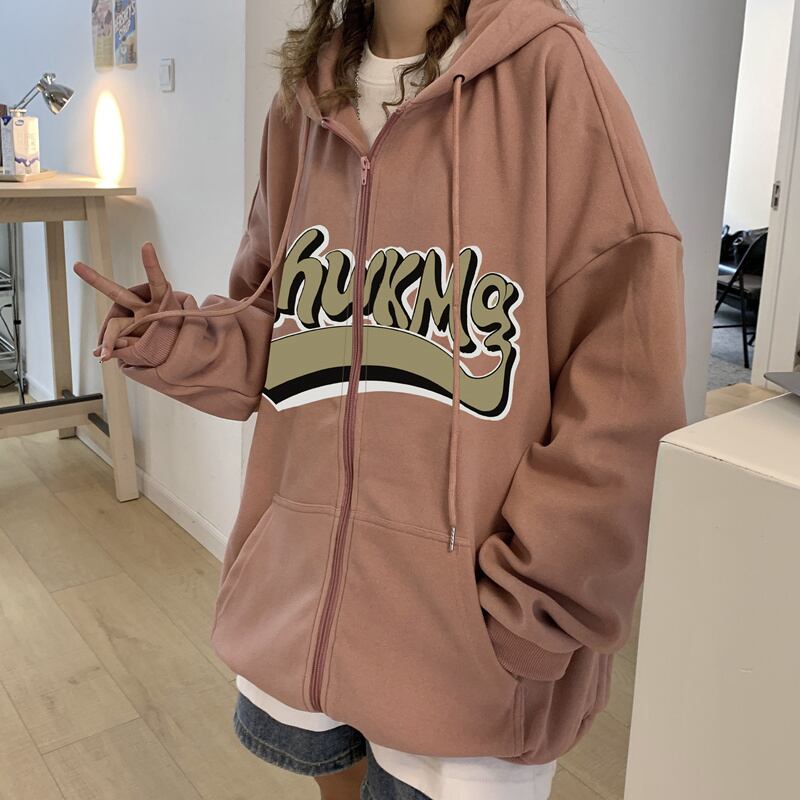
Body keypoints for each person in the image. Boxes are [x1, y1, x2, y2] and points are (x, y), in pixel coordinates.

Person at [74, 0, 688, 797]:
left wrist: (535, 611)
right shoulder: (305, 98)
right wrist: (176, 338)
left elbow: (626, 383)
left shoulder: (551, 73)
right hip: (306, 602)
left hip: (468, 644)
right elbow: (281, 326)